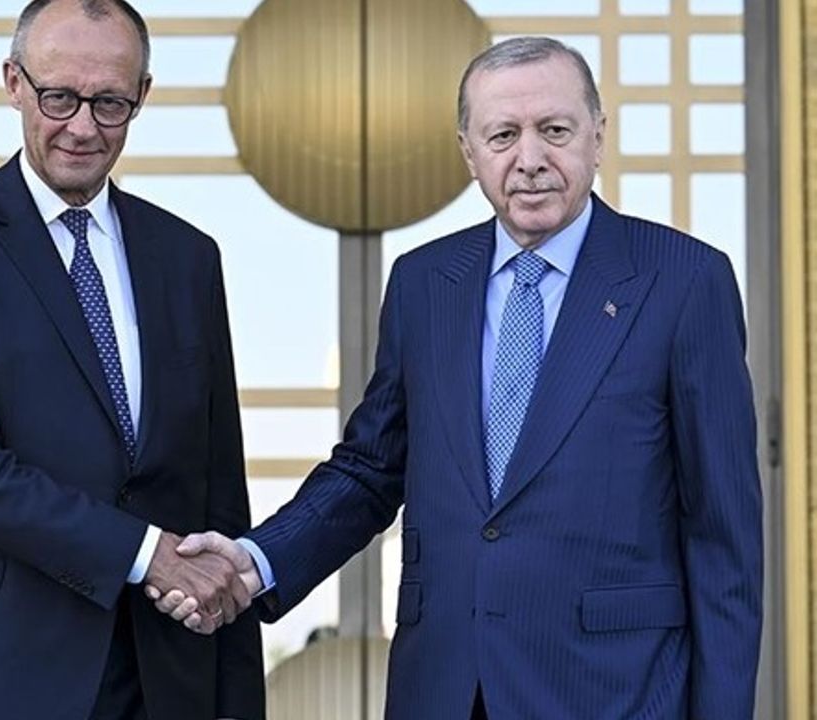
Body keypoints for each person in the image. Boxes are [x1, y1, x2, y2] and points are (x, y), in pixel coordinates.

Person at [152, 37, 762, 719]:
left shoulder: (684, 281)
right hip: (443, 686)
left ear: (598, 136)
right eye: (502, 136)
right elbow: (370, 470)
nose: (529, 159)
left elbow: (723, 540)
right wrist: (257, 560)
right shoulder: (423, 283)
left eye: (555, 131)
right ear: (469, 152)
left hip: (614, 691)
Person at [0, 1, 262, 718]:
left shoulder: (188, 258)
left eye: (110, 103)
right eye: (59, 97)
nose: (83, 127)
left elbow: (217, 488)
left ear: (142, 96)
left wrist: (235, 697)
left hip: (162, 677)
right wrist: (145, 552)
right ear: (13, 83)